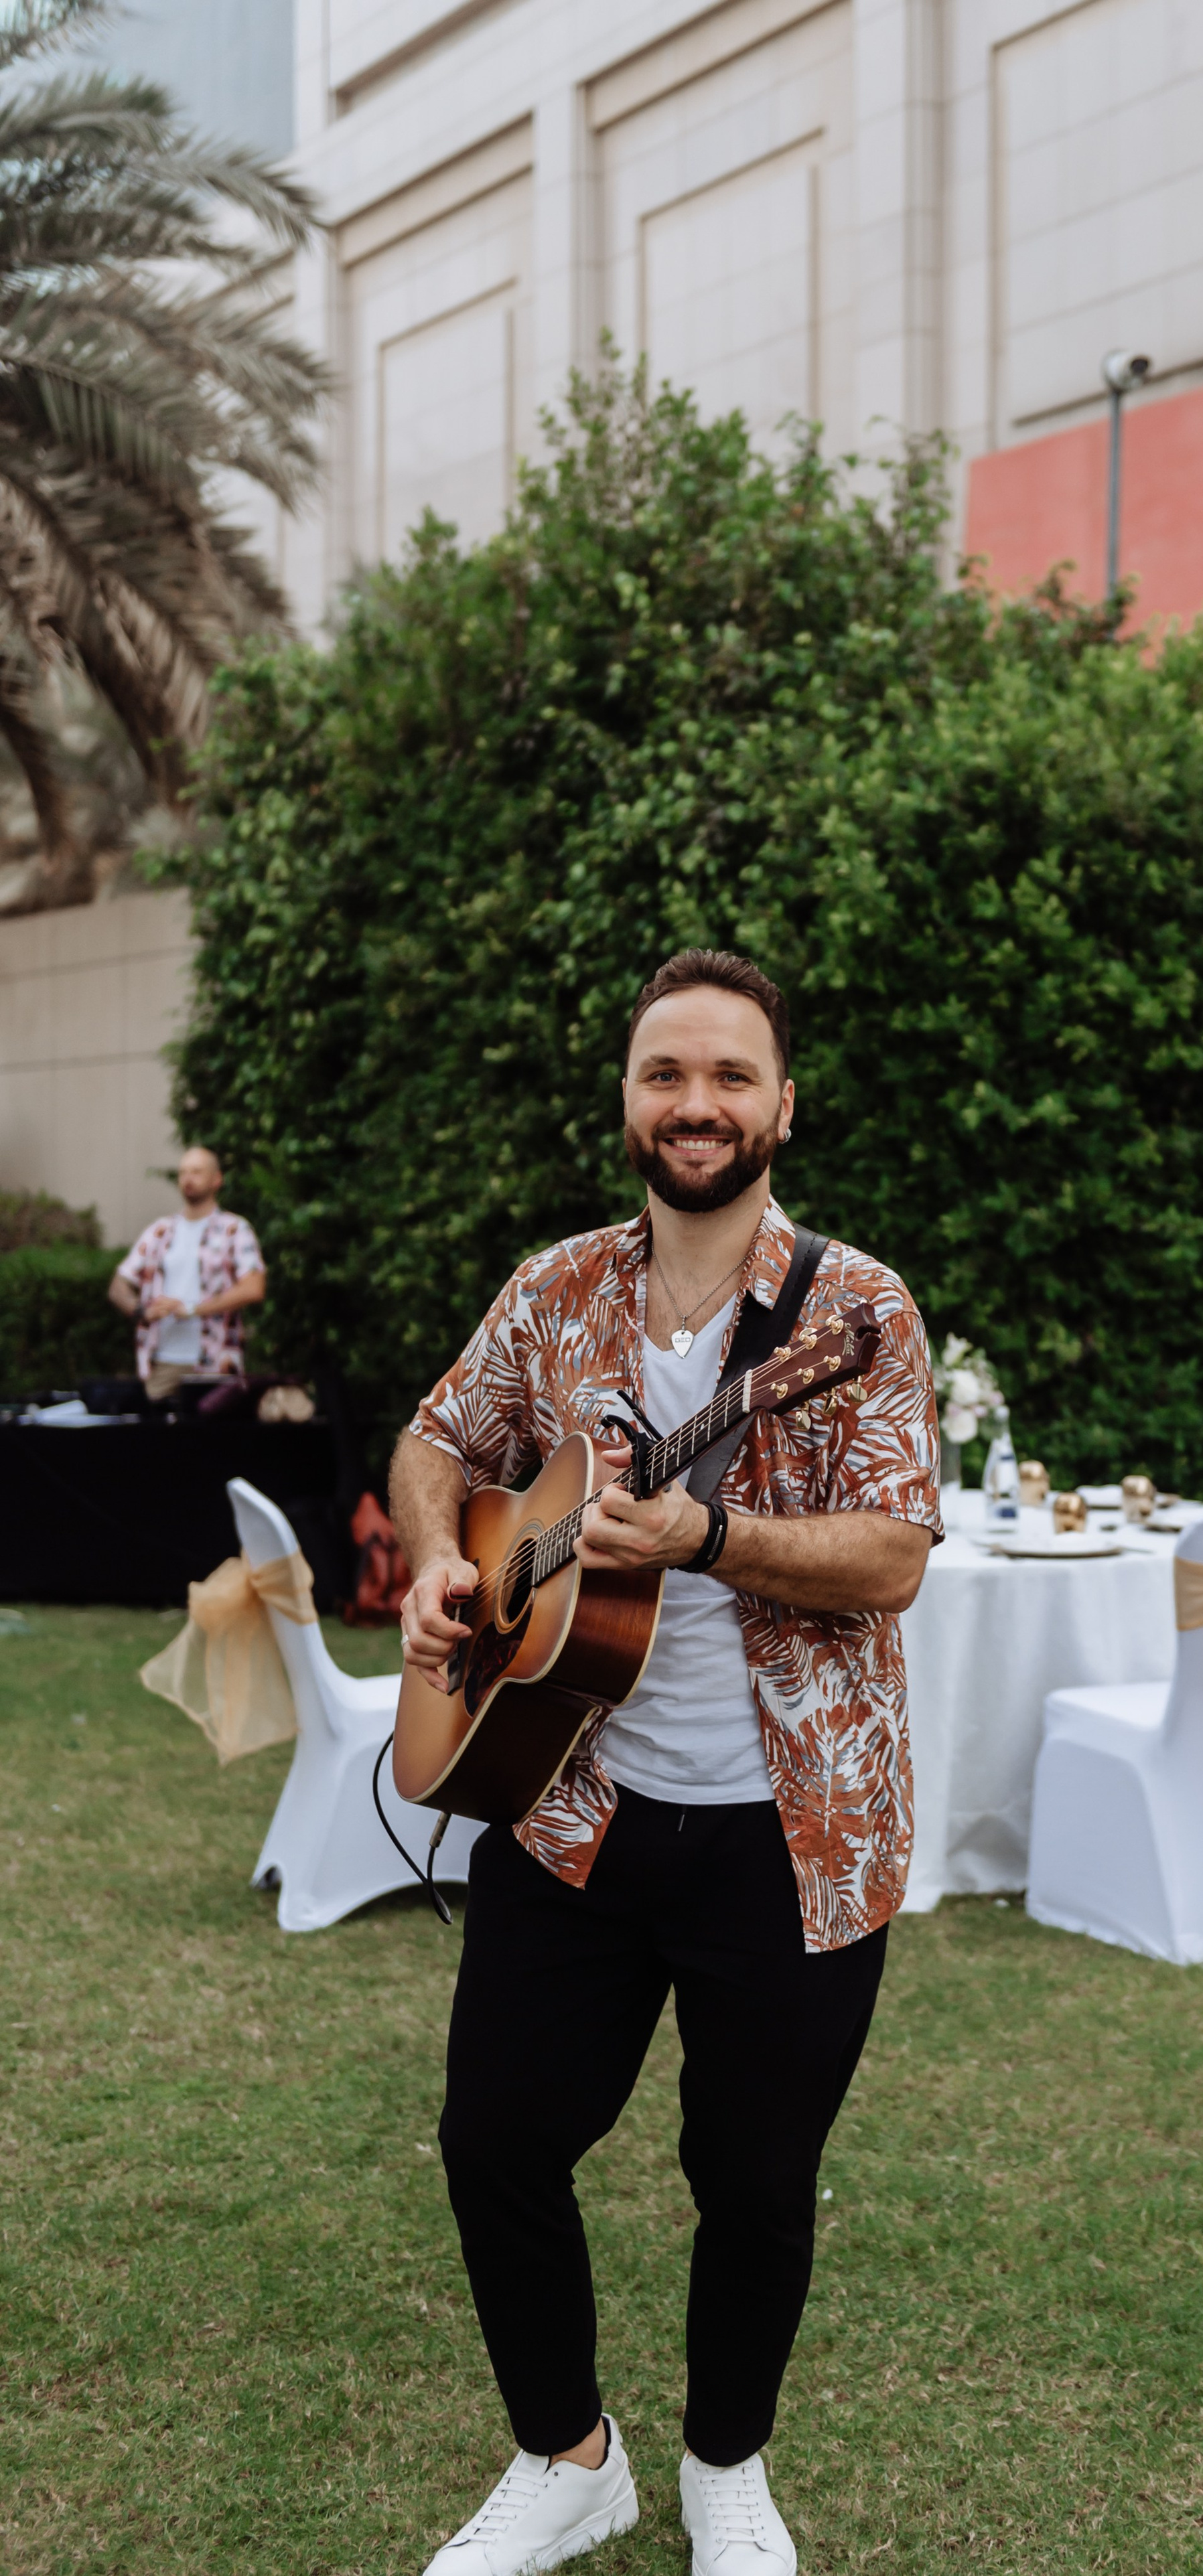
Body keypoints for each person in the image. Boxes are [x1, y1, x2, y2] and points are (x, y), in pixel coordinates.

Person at [392, 949, 940, 2576]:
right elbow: (439, 1441)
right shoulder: (553, 1289)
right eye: (662, 1074)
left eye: (724, 1076)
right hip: (565, 1801)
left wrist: (710, 1533)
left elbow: (892, 1552)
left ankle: (723, 2470)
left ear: (781, 1102)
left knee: (755, 2178)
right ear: (628, 1098)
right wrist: (440, 1561)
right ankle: (568, 2457)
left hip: (794, 1829)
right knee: (495, 2139)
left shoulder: (858, 1312)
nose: (691, 1103)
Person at [109, 1145, 266, 1404]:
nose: (188, 1179)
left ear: (217, 1180)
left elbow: (254, 1287)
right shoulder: (160, 1231)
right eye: (183, 1172)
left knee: (212, 1437)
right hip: (163, 1360)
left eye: (196, 1172)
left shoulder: (235, 1229)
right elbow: (119, 1285)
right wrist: (142, 1311)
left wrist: (193, 1309)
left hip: (216, 1360)